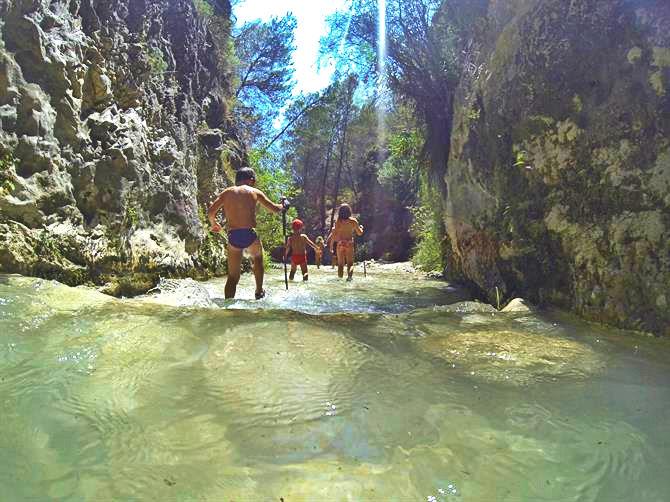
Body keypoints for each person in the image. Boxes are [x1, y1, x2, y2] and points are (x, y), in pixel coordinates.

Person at [207, 167, 289, 299]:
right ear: (251, 180)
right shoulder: (254, 191)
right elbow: (275, 209)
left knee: (233, 276)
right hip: (249, 235)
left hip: (233, 236)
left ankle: (228, 305)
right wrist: (284, 205)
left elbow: (211, 212)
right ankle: (259, 291)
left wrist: (214, 224)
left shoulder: (226, 193)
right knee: (257, 258)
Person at [329, 203, 364, 280]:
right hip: (349, 243)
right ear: (349, 211)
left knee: (340, 265)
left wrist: (331, 246)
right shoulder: (353, 221)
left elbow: (334, 234)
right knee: (350, 264)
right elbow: (359, 233)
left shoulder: (338, 222)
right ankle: (349, 278)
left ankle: (340, 279)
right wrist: (361, 228)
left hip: (340, 243)